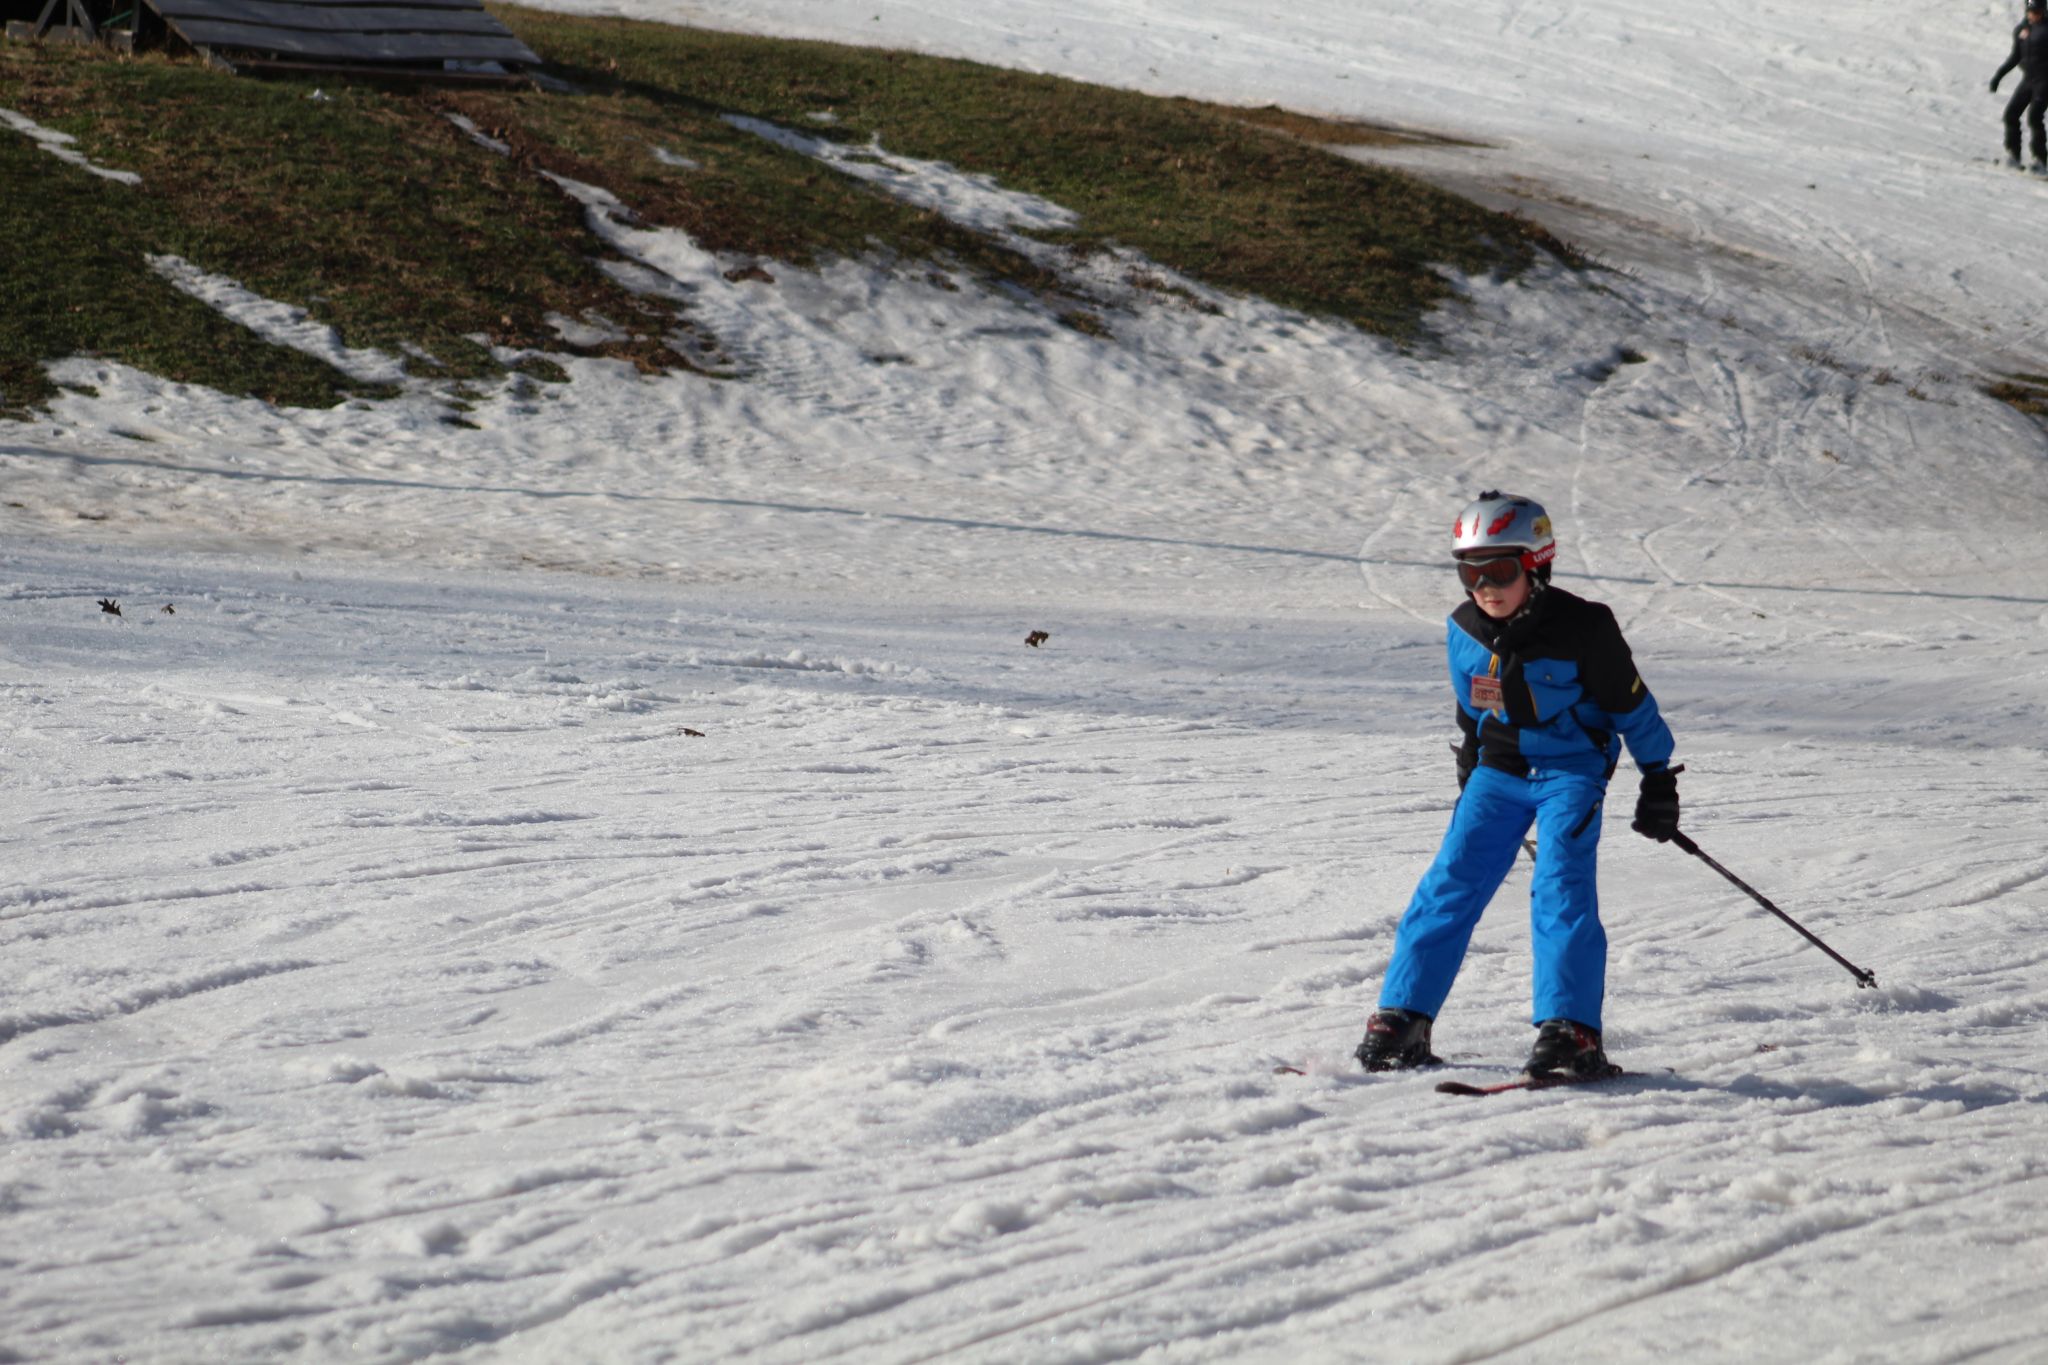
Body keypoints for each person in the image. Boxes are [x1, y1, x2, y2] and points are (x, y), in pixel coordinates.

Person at [1355, 492, 1681, 1078]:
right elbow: (1470, 709)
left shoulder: (1586, 627)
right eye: (1469, 572)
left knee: (1560, 889)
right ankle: (1400, 1020)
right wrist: (1470, 764)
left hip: (1569, 774)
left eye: (1500, 571)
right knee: (1447, 884)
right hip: (1498, 773)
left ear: (1537, 564)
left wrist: (1658, 780)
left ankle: (1569, 1030)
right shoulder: (1463, 628)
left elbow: (1635, 710)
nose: (1484, 586)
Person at [1992, 0, 2048, 172]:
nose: (2034, 15)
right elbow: (2015, 56)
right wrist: (1999, 76)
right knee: (2011, 114)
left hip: (2045, 81)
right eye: (2031, 11)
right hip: (2028, 80)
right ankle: (2013, 155)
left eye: (2038, 11)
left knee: (2034, 117)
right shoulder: (2021, 30)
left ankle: (2040, 161)